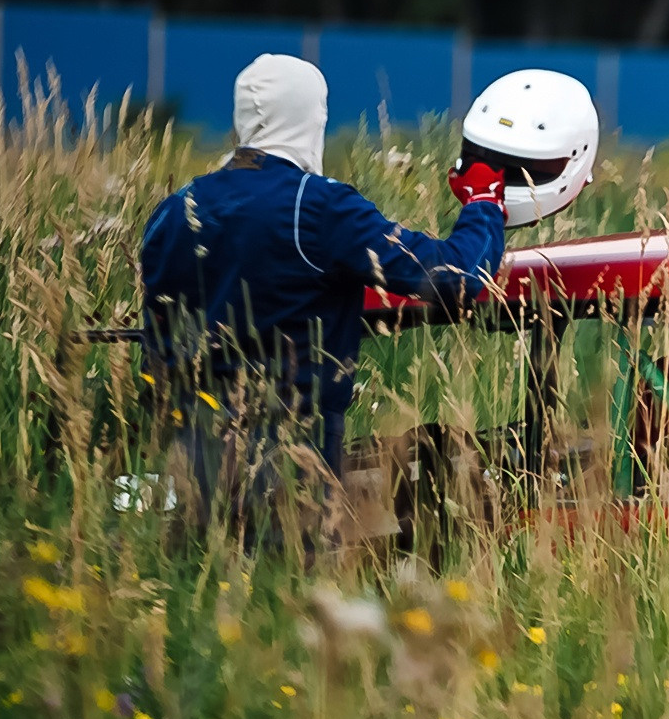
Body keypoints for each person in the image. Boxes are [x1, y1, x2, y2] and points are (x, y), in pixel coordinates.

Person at [139, 52, 507, 534]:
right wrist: (485, 203)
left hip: (180, 460)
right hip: (288, 464)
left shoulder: (173, 210)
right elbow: (453, 277)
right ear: (313, 119)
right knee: (282, 597)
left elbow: (156, 347)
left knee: (192, 593)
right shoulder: (316, 207)